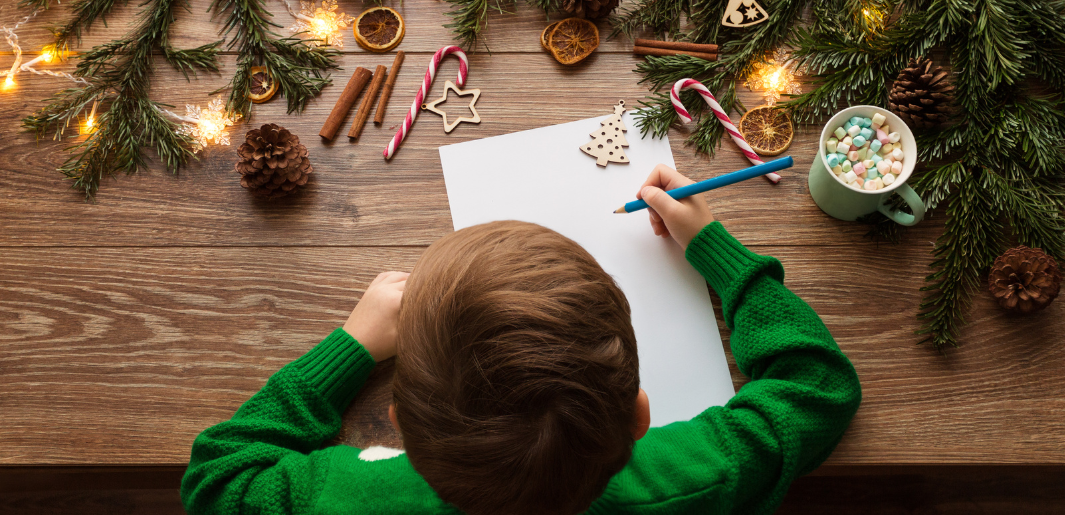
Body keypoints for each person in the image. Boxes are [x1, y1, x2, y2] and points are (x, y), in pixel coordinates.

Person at [181, 165, 861, 515]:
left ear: (401, 432)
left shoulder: (338, 498)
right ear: (639, 417)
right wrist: (716, 250)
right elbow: (814, 387)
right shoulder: (685, 479)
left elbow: (219, 476)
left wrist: (351, 346)